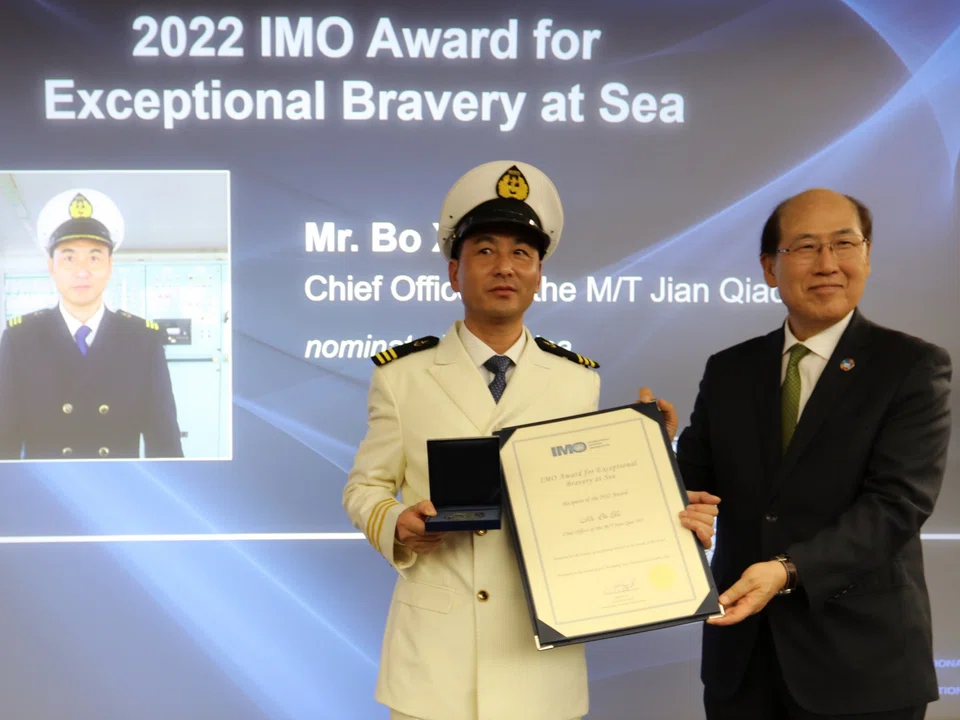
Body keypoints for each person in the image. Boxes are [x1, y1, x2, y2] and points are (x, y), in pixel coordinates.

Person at [343, 160, 717, 720]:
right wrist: (395, 522)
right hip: (434, 668)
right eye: (486, 250)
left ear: (539, 272)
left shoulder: (576, 380)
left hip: (539, 660)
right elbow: (364, 487)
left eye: (522, 253)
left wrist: (651, 466)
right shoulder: (403, 376)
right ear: (454, 271)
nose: (505, 267)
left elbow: (589, 504)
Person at [677, 188, 952, 719]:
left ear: (866, 257)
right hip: (746, 667)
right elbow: (695, 483)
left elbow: (897, 506)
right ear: (769, 268)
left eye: (843, 244)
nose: (827, 263)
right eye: (804, 247)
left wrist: (786, 570)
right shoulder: (730, 370)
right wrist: (647, 446)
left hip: (863, 669)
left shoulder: (911, 367)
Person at [0, 188, 183, 460]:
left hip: (119, 489)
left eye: (95, 257)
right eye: (69, 257)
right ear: (52, 266)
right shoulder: (20, 339)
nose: (82, 271)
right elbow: (6, 439)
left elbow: (164, 439)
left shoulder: (142, 340)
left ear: (110, 266)